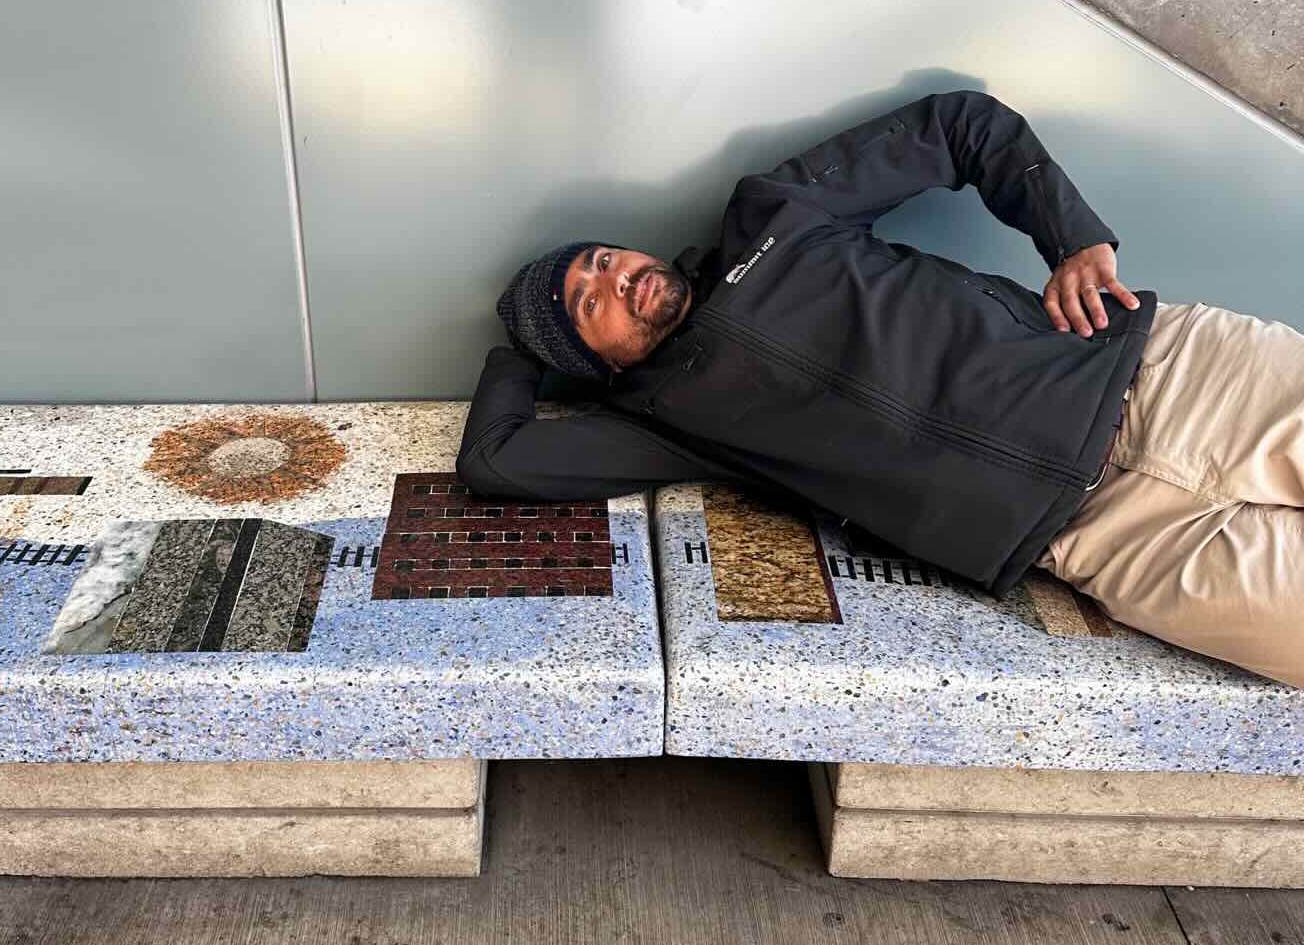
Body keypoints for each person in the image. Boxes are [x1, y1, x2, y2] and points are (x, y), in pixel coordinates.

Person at [457, 89, 1304, 690]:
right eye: (586, 303)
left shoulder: (772, 213)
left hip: (1178, 375)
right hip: (1109, 540)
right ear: (595, 364)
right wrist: (517, 351)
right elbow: (498, 459)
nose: (616, 279)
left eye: (603, 259)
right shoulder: (667, 420)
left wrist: (1072, 237)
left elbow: (958, 124)